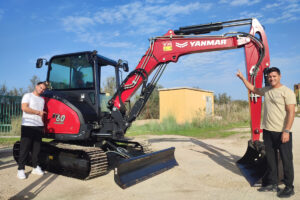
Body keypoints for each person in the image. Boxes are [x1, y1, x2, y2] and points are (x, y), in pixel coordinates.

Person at [236, 67, 296, 198]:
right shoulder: (267, 90)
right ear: (267, 78)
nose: (272, 78)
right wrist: (242, 78)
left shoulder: (287, 92)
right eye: (270, 77)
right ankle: (273, 183)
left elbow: (292, 112)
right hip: (268, 131)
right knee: (271, 159)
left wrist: (286, 130)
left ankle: (289, 187)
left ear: (279, 76)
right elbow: (253, 89)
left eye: (274, 76)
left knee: (286, 160)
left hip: (282, 132)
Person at [17, 81, 47, 179]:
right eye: (40, 87)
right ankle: (21, 170)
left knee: (36, 149)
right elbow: (24, 108)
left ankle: (35, 167)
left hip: (38, 126)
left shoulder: (42, 100)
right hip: (28, 125)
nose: (41, 90)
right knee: (24, 148)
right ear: (36, 86)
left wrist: (43, 126)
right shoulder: (27, 95)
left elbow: (42, 114)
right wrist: (38, 112)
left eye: (43, 89)